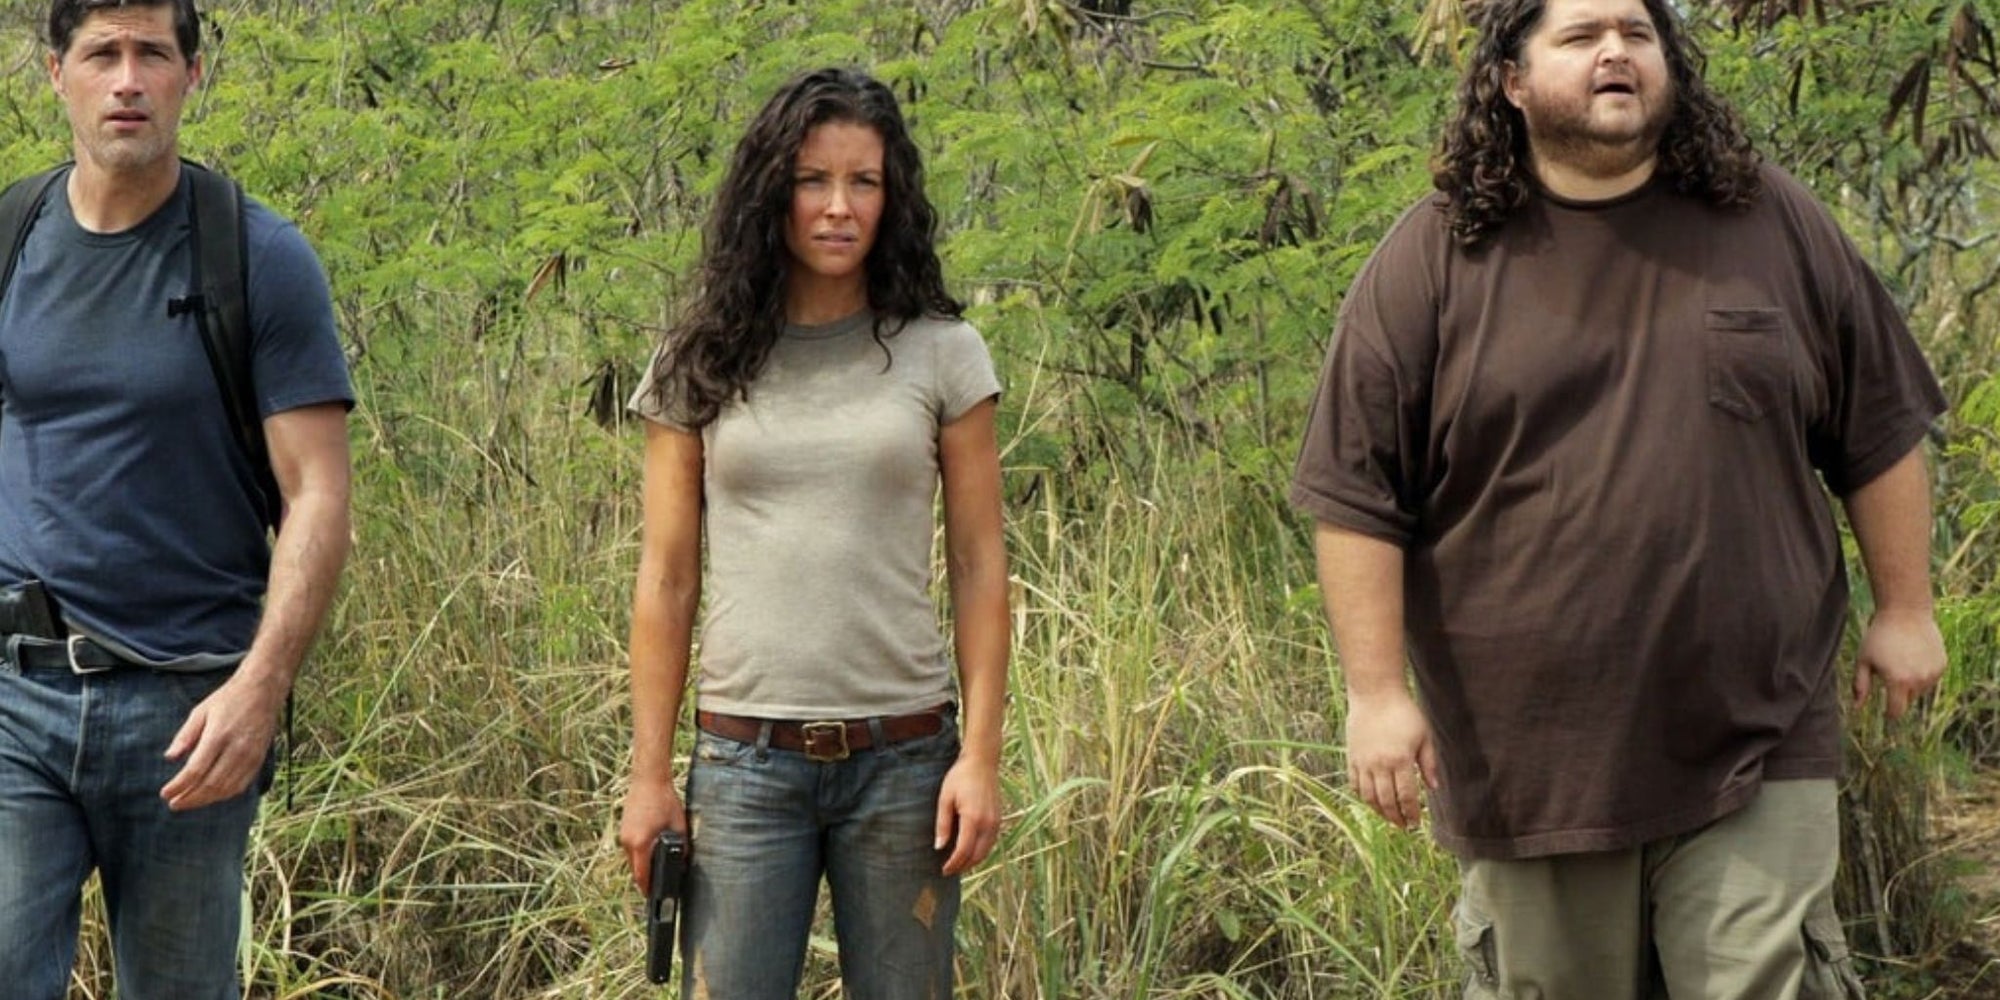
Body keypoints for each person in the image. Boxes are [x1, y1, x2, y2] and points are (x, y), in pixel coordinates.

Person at [1289, 0, 1948, 996]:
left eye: (1636, 34)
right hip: (1530, 760)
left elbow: (1878, 422)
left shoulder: (1766, 220)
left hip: (1755, 732)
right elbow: (1354, 495)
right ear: (1509, 80)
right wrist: (1374, 695)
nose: (1615, 53)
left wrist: (1904, 607)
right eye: (1580, 35)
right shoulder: (1431, 259)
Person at [616, 67, 1009, 1000]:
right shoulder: (700, 359)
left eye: (863, 182)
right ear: (771, 192)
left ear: (892, 195)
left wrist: (982, 757)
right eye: (812, 181)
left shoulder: (943, 352)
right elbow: (666, 579)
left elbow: (980, 563)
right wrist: (649, 775)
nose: (839, 207)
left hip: (907, 762)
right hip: (745, 767)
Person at [0, 1, 353, 997]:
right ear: (54, 73)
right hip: (16, 694)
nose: (126, 81)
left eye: (152, 54)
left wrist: (261, 687)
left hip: (190, 710)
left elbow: (318, 493)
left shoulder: (256, 257)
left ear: (192, 77)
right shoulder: (10, 240)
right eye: (101, 54)